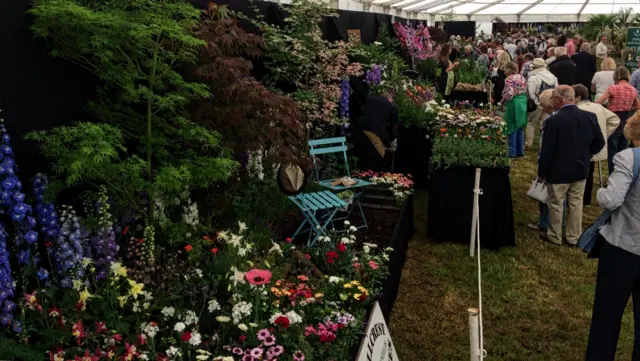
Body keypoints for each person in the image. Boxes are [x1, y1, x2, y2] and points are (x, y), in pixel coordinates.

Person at [585, 111, 640, 361]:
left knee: (607, 316)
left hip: (623, 246)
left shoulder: (629, 158)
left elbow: (612, 199)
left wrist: (600, 193)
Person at [538, 85, 605, 246]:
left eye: (553, 98)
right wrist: (587, 154)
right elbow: (600, 141)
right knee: (576, 203)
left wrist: (542, 171)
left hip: (558, 169)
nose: (552, 101)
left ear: (560, 100)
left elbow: (547, 150)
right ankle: (573, 236)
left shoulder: (553, 121)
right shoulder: (589, 116)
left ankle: (554, 235)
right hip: (580, 167)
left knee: (556, 203)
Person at [573, 84, 620, 206]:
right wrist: (604, 134)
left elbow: (615, 120)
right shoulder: (598, 107)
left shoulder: (578, 109)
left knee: (581, 171)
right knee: (590, 171)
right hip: (595, 144)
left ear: (578, 97)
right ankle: (586, 200)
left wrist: (605, 133)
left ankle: (580, 199)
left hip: (582, 145)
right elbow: (615, 119)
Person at [596, 66, 640, 172]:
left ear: (616, 75)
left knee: (612, 149)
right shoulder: (632, 89)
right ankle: (622, 171)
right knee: (623, 148)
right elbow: (638, 106)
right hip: (626, 119)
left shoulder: (612, 88)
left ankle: (612, 173)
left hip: (614, 120)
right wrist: (628, 106)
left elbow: (598, 102)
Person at [527, 89, 558, 233]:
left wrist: (541, 166)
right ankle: (558, 223)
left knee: (546, 194)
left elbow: (545, 145)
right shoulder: (558, 117)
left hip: (550, 161)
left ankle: (545, 223)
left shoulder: (549, 121)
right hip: (563, 162)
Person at [526, 58, 558, 148]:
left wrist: (538, 103)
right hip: (549, 105)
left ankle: (529, 144)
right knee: (545, 124)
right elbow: (556, 89)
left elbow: (532, 93)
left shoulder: (534, 78)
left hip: (537, 104)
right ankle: (543, 144)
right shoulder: (552, 76)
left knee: (531, 123)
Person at [360, 91, 399, 158]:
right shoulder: (392, 106)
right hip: (376, 134)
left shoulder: (370, 99)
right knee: (377, 158)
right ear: (390, 98)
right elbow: (394, 127)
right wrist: (394, 138)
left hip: (361, 129)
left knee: (362, 155)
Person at [501, 61, 528, 158]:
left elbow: (509, 93)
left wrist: (503, 102)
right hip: (523, 101)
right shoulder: (522, 77)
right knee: (520, 126)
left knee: (511, 126)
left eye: (504, 68)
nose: (503, 71)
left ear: (508, 69)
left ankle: (511, 152)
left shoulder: (509, 79)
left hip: (514, 103)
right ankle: (520, 151)